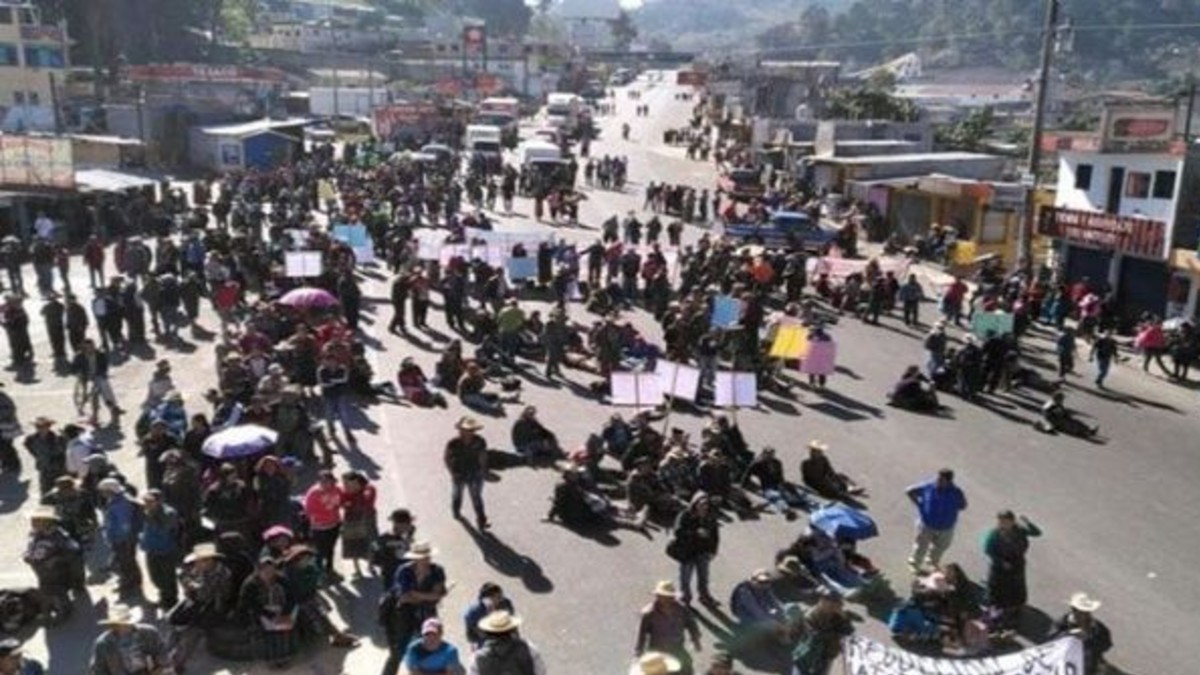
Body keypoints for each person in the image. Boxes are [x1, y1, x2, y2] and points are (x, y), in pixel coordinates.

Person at [382, 542, 447, 675]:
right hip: (403, 615)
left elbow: (437, 596)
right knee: (398, 651)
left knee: (429, 648)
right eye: (421, 557)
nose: (425, 560)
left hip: (427, 615)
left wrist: (415, 594)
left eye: (427, 557)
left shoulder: (437, 570)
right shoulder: (404, 570)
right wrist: (427, 596)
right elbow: (403, 598)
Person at [22, 508, 82, 624]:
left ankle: (64, 611)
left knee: (58, 592)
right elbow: (30, 547)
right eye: (33, 520)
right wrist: (27, 555)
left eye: (36, 520)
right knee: (45, 591)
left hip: (56, 572)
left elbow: (74, 551)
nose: (32, 522)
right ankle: (47, 613)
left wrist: (56, 560)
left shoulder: (59, 536)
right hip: (41, 571)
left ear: (46, 522)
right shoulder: (35, 534)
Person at [238, 556, 299, 669]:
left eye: (271, 570)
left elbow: (292, 598)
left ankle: (284, 657)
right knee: (269, 633)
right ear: (258, 570)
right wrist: (268, 614)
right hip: (259, 612)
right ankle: (271, 659)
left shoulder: (282, 580)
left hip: (280, 609)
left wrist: (285, 613)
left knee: (284, 629)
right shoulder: (250, 584)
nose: (268, 574)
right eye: (265, 570)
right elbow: (249, 604)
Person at [983, 510, 1042, 626]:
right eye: (1000, 521)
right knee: (996, 587)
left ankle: (1015, 607)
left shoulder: (1020, 530)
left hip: (1017, 562)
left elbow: (1037, 533)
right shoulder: (994, 534)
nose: (1002, 524)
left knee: (1016, 586)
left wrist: (1028, 522)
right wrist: (1001, 562)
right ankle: (995, 610)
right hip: (999, 565)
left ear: (1012, 521)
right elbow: (988, 550)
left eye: (1005, 521)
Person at [905, 469, 967, 572]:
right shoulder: (928, 487)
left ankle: (932, 562)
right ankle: (915, 564)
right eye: (938, 478)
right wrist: (919, 504)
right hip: (927, 524)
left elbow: (963, 505)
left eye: (941, 479)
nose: (937, 481)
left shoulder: (956, 492)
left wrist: (950, 511)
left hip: (946, 527)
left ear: (949, 481)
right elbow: (909, 491)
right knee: (921, 546)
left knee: (940, 547)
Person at [635, 581, 700, 671]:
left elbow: (691, 624)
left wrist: (695, 640)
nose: (666, 599)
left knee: (687, 668)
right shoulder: (649, 613)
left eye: (669, 596)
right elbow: (642, 634)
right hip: (658, 650)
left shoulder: (682, 610)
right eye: (662, 596)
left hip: (677, 648)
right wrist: (639, 651)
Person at [671, 492, 720, 606]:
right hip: (687, 552)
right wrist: (695, 533)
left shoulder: (710, 517)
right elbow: (678, 532)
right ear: (695, 503)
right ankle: (685, 598)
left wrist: (713, 551)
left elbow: (715, 535)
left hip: (703, 552)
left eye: (706, 504)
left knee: (703, 576)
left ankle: (704, 596)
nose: (704, 507)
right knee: (685, 577)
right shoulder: (685, 515)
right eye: (701, 503)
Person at [89, 604, 167, 675]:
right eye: (116, 625)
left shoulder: (148, 633)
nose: (121, 627)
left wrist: (157, 671)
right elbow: (98, 670)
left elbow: (162, 653)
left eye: (125, 624)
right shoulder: (103, 643)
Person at [98, 477, 143, 600]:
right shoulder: (115, 500)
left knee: (126, 562)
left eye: (103, 491)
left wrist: (122, 539)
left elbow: (125, 524)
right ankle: (132, 581)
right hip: (119, 537)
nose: (102, 493)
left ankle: (130, 583)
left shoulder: (121, 503)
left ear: (110, 491)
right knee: (126, 561)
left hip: (123, 539)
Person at [791, 591, 853, 675]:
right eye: (831, 603)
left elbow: (849, 631)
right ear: (822, 601)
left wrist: (844, 617)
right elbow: (816, 635)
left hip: (826, 655)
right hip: (807, 654)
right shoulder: (810, 615)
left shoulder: (837, 615)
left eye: (836, 604)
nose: (833, 607)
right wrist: (837, 634)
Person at [444, 416, 490, 530]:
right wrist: (451, 472)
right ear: (461, 430)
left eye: (472, 430)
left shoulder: (480, 441)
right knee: (457, 494)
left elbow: (482, 456)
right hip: (459, 473)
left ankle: (481, 520)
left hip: (475, 473)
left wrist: (483, 471)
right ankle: (456, 511)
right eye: (468, 430)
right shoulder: (453, 443)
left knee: (476, 497)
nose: (470, 432)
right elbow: (446, 458)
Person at [467, 611, 547, 675]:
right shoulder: (528, 648)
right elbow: (541, 671)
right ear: (512, 630)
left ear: (487, 633)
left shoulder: (477, 659)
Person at [1050, 593, 1112, 675]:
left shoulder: (1098, 628)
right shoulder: (1063, 622)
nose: (1084, 615)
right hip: (1065, 661)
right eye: (1080, 611)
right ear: (1073, 610)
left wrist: (1089, 638)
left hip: (1087, 665)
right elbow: (1051, 640)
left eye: (1086, 612)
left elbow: (1106, 645)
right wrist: (1068, 634)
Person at [303, 470, 344, 582]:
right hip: (319, 527)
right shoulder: (314, 493)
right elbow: (308, 510)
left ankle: (329, 569)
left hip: (334, 524)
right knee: (320, 551)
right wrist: (324, 512)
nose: (326, 484)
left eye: (329, 481)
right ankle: (319, 573)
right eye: (323, 481)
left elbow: (341, 501)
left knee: (330, 549)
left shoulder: (337, 490)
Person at [340, 470, 377, 577]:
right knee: (352, 543)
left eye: (347, 483)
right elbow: (343, 503)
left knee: (370, 540)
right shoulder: (345, 492)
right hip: (351, 520)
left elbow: (366, 502)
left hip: (367, 518)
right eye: (344, 483)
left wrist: (350, 503)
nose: (345, 486)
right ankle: (357, 569)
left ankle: (370, 565)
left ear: (356, 482)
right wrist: (349, 503)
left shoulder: (369, 489)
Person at [799, 441, 864, 502]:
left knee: (840, 476)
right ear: (812, 452)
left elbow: (830, 470)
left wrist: (834, 478)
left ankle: (848, 488)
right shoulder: (806, 462)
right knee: (828, 486)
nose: (821, 453)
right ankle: (842, 492)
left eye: (821, 451)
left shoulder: (823, 459)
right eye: (818, 451)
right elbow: (808, 477)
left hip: (823, 477)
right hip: (814, 483)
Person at [371, 508, 416, 594]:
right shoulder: (397, 540)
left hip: (392, 576)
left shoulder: (384, 537)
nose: (410, 525)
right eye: (408, 523)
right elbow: (402, 555)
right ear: (400, 524)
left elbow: (374, 550)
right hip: (395, 578)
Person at [464, 582, 516, 648]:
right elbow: (471, 636)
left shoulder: (505, 603)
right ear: (485, 599)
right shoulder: (473, 613)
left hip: (508, 642)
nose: (500, 599)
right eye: (497, 597)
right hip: (487, 646)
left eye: (501, 596)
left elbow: (512, 622)